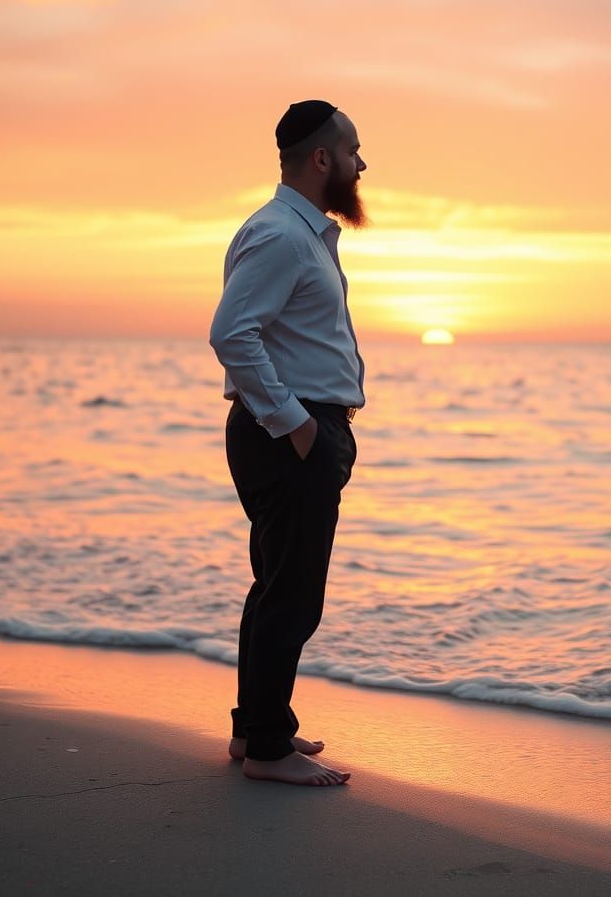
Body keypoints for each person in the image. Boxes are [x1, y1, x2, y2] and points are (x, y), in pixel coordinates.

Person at [209, 100, 367, 786]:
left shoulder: (298, 233)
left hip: (290, 431)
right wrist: (297, 424)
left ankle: (258, 731)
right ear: (322, 158)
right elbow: (231, 335)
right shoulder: (281, 235)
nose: (363, 164)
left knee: (275, 588)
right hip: (287, 434)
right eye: (354, 150)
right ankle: (269, 749)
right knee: (293, 598)